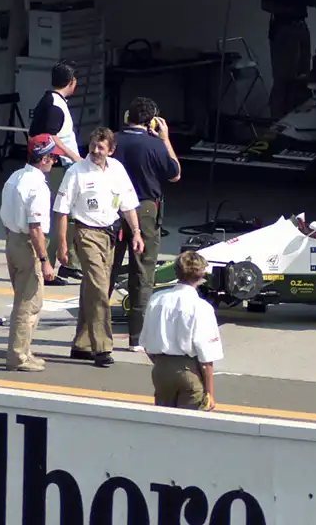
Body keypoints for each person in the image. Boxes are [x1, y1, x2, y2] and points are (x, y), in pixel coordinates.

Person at [53, 127, 145, 368]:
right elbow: (61, 211)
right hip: (85, 233)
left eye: (100, 147)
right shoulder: (76, 172)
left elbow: (128, 204)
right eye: (93, 145)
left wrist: (136, 233)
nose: (95, 151)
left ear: (111, 150)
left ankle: (81, 345)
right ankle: (102, 347)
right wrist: (62, 245)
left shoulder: (117, 170)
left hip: (109, 235)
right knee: (100, 288)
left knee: (92, 289)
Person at [109, 97, 181, 352]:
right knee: (143, 271)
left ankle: (93, 330)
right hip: (146, 209)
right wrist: (165, 139)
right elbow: (174, 173)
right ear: (151, 121)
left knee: (107, 269)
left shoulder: (112, 141)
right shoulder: (154, 145)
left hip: (113, 210)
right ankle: (136, 337)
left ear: (128, 116)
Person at [0, 134, 65, 372]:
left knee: (25, 299)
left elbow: (5, 216)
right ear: (45, 158)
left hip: (12, 240)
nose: (54, 163)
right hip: (27, 244)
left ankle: (24, 350)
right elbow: (36, 228)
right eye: (53, 158)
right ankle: (18, 356)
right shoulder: (38, 186)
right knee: (29, 303)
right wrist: (45, 260)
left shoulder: (15, 177)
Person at [139, 251, 224, 411]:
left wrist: (163, 364)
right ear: (201, 275)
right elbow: (207, 358)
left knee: (163, 420)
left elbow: (146, 341)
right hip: (188, 369)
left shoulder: (156, 299)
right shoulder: (201, 307)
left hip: (161, 368)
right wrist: (210, 393)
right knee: (189, 425)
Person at [28, 60, 83, 285]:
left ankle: (68, 262)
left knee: (70, 215)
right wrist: (74, 157)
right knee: (59, 214)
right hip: (61, 166)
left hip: (63, 165)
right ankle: (48, 266)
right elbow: (51, 137)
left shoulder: (53, 100)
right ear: (71, 82)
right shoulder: (54, 105)